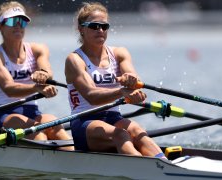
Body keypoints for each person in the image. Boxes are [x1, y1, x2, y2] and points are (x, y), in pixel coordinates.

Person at [65, 2, 166, 158]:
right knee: (121, 135)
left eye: (104, 26)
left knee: (138, 132)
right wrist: (122, 91)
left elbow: (134, 80)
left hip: (114, 118)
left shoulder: (119, 53)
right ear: (81, 29)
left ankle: (164, 164)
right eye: (94, 26)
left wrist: (131, 82)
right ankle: (146, 170)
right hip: (85, 122)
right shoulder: (75, 59)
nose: (100, 30)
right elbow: (92, 96)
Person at [0, 1, 73, 150]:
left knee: (56, 125)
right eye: (13, 21)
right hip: (4, 114)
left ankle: (76, 160)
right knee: (39, 134)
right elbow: (9, 88)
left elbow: (46, 71)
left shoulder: (38, 49)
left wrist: (43, 75)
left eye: (22, 21)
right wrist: (37, 88)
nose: (18, 25)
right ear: (1, 26)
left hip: (32, 112)